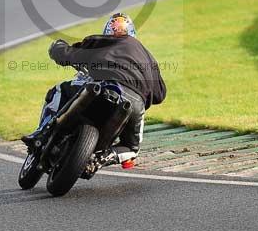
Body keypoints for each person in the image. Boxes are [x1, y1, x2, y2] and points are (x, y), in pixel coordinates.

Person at [21, 13, 167, 168]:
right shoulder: (149, 57)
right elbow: (160, 95)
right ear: (132, 33)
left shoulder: (102, 41)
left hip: (105, 87)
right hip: (135, 103)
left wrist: (57, 47)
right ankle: (101, 158)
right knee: (131, 149)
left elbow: (70, 55)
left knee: (59, 89)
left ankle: (40, 134)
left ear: (107, 32)